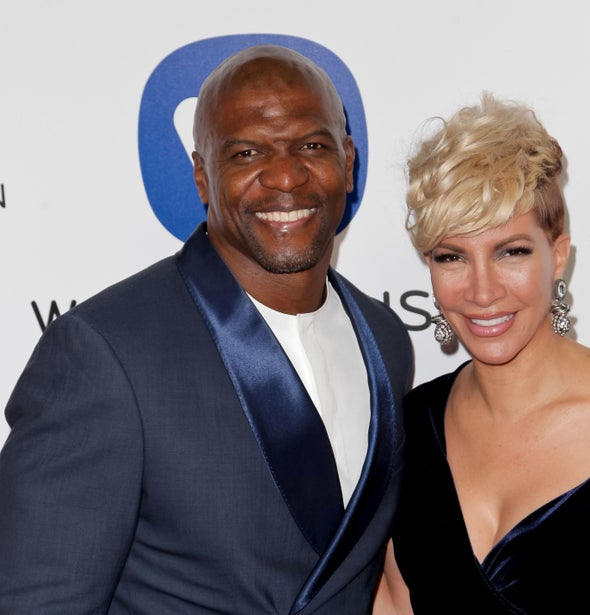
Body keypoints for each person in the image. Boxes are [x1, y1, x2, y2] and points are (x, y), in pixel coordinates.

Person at [0, 45, 413, 614]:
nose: (286, 175)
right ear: (201, 175)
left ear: (347, 159)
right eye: (247, 152)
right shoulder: (104, 351)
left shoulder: (386, 340)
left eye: (311, 146)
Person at [375, 94, 590, 614]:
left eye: (511, 251)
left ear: (556, 256)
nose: (483, 290)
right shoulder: (408, 430)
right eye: (453, 257)